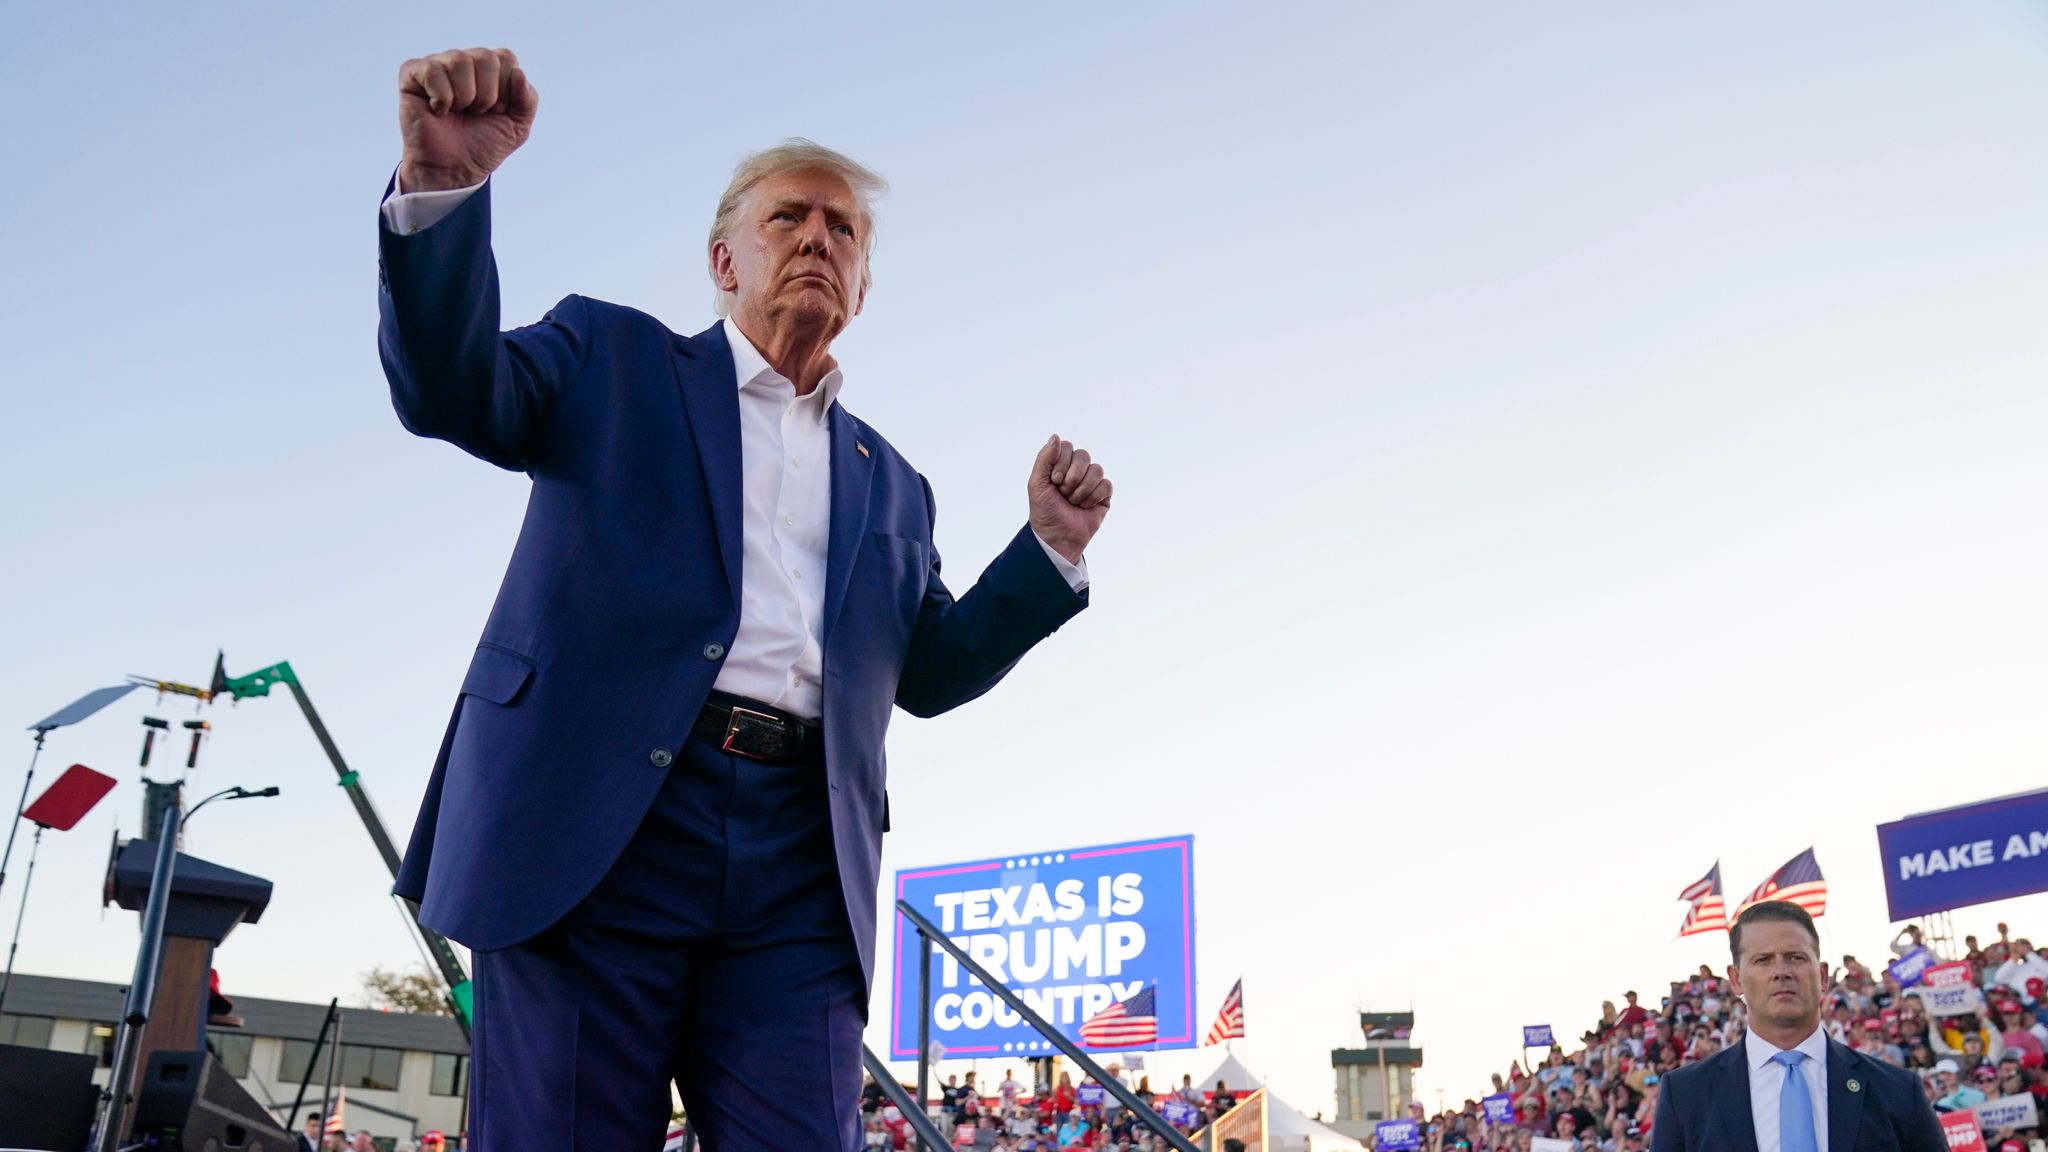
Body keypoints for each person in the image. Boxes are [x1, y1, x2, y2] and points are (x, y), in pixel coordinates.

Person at [378, 48, 1109, 1152]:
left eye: (843, 229)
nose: (819, 237)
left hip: (797, 868)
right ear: (723, 257)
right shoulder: (608, 360)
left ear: (862, 288)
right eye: (789, 219)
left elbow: (930, 671)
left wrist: (1045, 552)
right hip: (594, 837)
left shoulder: (893, 485)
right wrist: (442, 191)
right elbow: (449, 388)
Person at [1649, 902, 1943, 1151]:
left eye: (1795, 957)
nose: (1781, 972)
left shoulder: (1899, 1091)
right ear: (1736, 979)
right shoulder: (1685, 1095)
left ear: (1823, 975)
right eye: (1763, 960)